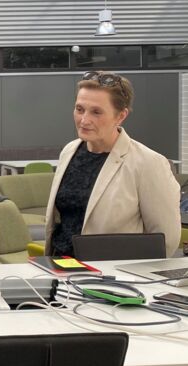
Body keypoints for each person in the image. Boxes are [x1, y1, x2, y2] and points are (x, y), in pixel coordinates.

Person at [44, 71, 180, 258]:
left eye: (96, 112)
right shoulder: (69, 151)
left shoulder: (148, 163)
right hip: (59, 267)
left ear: (120, 116)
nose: (84, 120)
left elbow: (165, 241)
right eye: (79, 109)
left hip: (111, 279)